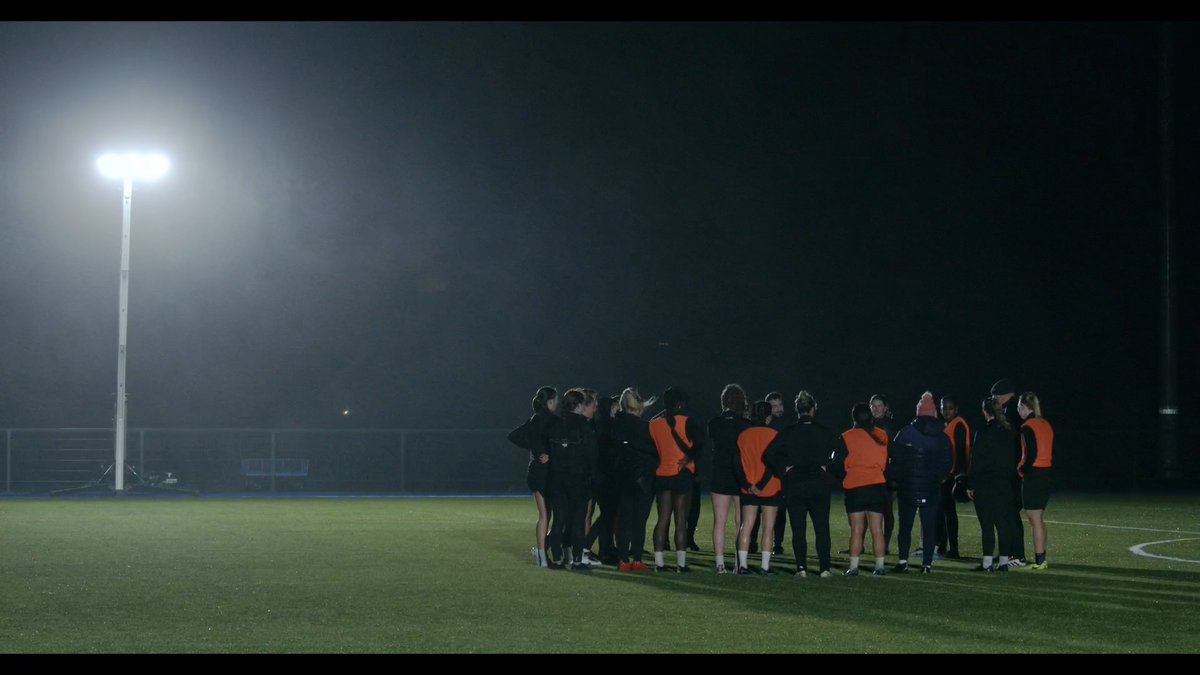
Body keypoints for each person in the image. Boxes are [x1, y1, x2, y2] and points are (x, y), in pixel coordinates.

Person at [762, 390, 840, 578]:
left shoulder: (789, 431)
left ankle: (802, 568)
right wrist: (828, 469)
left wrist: (783, 470)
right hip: (819, 484)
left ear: (797, 410)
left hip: (795, 484)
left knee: (799, 528)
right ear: (813, 409)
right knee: (822, 528)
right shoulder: (823, 430)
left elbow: (769, 455)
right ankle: (824, 569)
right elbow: (842, 452)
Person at [890, 391, 953, 574]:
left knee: (905, 527)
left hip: (908, 487)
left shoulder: (906, 432)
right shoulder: (942, 435)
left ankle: (903, 561)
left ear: (918, 412)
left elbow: (895, 458)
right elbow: (948, 460)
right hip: (931, 488)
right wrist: (939, 477)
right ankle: (927, 564)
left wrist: (896, 479)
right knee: (929, 527)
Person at [649, 386, 706, 572]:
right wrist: (688, 458)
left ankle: (659, 563)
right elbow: (700, 445)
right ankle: (681, 564)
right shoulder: (688, 422)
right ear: (681, 403)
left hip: (662, 474)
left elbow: (652, 450)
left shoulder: (654, 424)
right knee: (681, 520)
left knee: (662, 519)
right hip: (682, 473)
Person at [545, 388, 600, 572]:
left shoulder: (554, 425)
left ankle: (558, 559)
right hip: (579, 479)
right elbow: (592, 456)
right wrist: (593, 478)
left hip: (557, 479)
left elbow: (549, 453)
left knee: (559, 520)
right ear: (578, 406)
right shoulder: (585, 426)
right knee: (578, 520)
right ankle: (577, 561)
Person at [507, 386, 558, 568]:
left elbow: (513, 436)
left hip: (535, 471)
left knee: (544, 515)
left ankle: (542, 557)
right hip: (549, 472)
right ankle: (548, 555)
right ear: (550, 402)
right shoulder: (554, 421)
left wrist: (534, 450)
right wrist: (548, 454)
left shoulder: (534, 420)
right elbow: (559, 444)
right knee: (550, 515)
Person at [838, 402, 890, 576]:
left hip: (855, 485)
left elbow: (838, 463)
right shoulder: (882, 435)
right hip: (876, 483)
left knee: (857, 529)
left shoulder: (847, 436)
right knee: (877, 529)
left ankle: (853, 567)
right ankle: (880, 566)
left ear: (853, 418)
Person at [967, 396, 1018, 572]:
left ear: (984, 411)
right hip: (1004, 484)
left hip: (985, 484)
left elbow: (975, 462)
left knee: (987, 525)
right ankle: (1003, 562)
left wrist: (970, 485)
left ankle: (988, 563)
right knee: (1003, 524)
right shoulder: (1009, 431)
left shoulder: (982, 433)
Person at [706, 384, 752, 574]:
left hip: (720, 473)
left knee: (720, 521)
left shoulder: (714, 423)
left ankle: (719, 564)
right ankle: (739, 563)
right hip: (740, 475)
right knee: (741, 521)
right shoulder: (745, 425)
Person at [612, 387, 658, 573]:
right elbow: (654, 455)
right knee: (639, 521)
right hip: (643, 479)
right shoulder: (646, 428)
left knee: (624, 520)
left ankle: (623, 559)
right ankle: (637, 559)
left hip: (623, 478)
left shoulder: (615, 426)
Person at [734, 400, 783, 575]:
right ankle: (764, 566)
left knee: (746, 525)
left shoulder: (743, 435)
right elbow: (773, 464)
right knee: (768, 527)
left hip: (748, 488)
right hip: (770, 487)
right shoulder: (774, 435)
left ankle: (743, 565)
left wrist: (748, 485)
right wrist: (761, 485)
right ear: (768, 416)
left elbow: (737, 464)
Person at [990, 378, 1027, 567]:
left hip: (1012, 472)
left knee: (1011, 513)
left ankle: (1018, 554)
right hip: (1011, 470)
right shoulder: (1010, 411)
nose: (993, 399)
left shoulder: (1011, 411)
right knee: (1007, 513)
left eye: (995, 396)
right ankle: (1009, 552)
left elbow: (1009, 442)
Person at [1017, 392, 1054, 570]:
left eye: (1019, 407)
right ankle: (1042, 557)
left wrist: (1020, 469)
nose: (1018, 410)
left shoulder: (1027, 426)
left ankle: (1040, 560)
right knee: (1039, 518)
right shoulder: (1046, 424)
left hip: (1034, 475)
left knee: (1034, 520)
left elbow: (1030, 454)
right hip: (1046, 474)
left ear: (1025, 407)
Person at [585, 395, 621, 565]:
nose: (618, 409)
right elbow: (608, 453)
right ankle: (588, 545)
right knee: (607, 515)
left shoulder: (600, 424)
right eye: (615, 407)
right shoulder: (608, 425)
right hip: (607, 477)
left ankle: (607, 549)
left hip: (602, 477)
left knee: (608, 515)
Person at [937, 396, 971, 559]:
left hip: (951, 476)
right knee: (941, 512)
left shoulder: (959, 424)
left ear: (956, 408)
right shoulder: (944, 424)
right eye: (944, 408)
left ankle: (954, 548)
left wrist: (960, 476)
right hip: (943, 475)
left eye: (950, 408)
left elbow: (961, 451)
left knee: (949, 513)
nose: (947, 411)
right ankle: (942, 546)